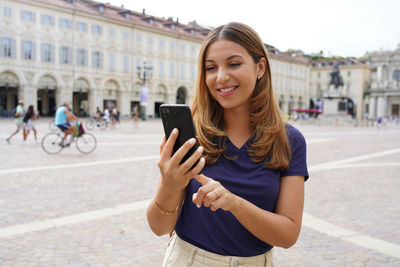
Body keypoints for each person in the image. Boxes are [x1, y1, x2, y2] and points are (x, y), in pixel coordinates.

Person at [147, 22, 309, 266]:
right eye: (211, 68)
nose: (221, 77)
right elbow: (159, 227)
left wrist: (233, 203)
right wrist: (169, 184)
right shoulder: (192, 133)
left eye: (234, 64)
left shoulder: (289, 140)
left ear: (260, 67)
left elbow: (288, 235)